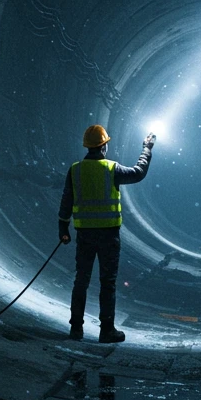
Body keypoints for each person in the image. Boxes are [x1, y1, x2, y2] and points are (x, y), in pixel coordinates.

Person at [59, 125, 155, 343]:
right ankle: (106, 330)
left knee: (81, 281)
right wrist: (146, 149)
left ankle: (76, 329)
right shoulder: (112, 169)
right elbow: (138, 173)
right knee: (107, 283)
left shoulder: (75, 170)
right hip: (108, 236)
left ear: (87, 146)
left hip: (84, 235)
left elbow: (67, 201)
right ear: (104, 146)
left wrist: (62, 228)